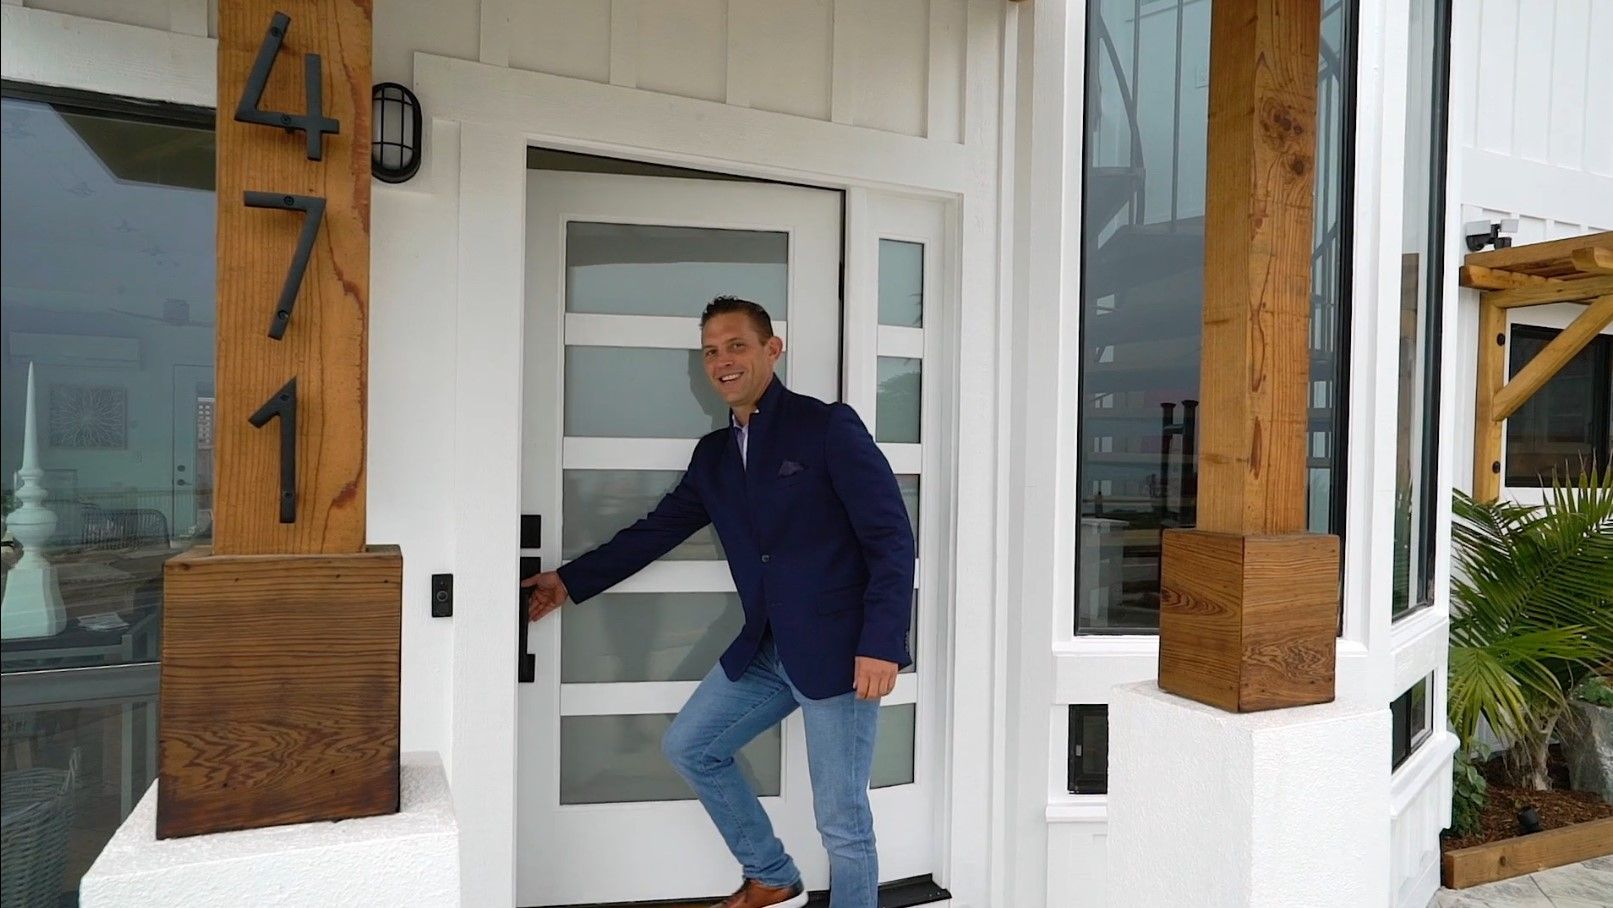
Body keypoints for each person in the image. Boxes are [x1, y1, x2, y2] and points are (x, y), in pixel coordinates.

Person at [524, 295, 914, 908]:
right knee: (692, 747)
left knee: (842, 821)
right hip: (767, 648)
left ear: (771, 350)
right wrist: (568, 582)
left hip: (840, 654)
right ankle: (772, 873)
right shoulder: (713, 456)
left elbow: (890, 536)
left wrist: (881, 643)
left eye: (737, 345)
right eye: (711, 351)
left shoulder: (825, 426)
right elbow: (657, 531)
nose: (722, 360)